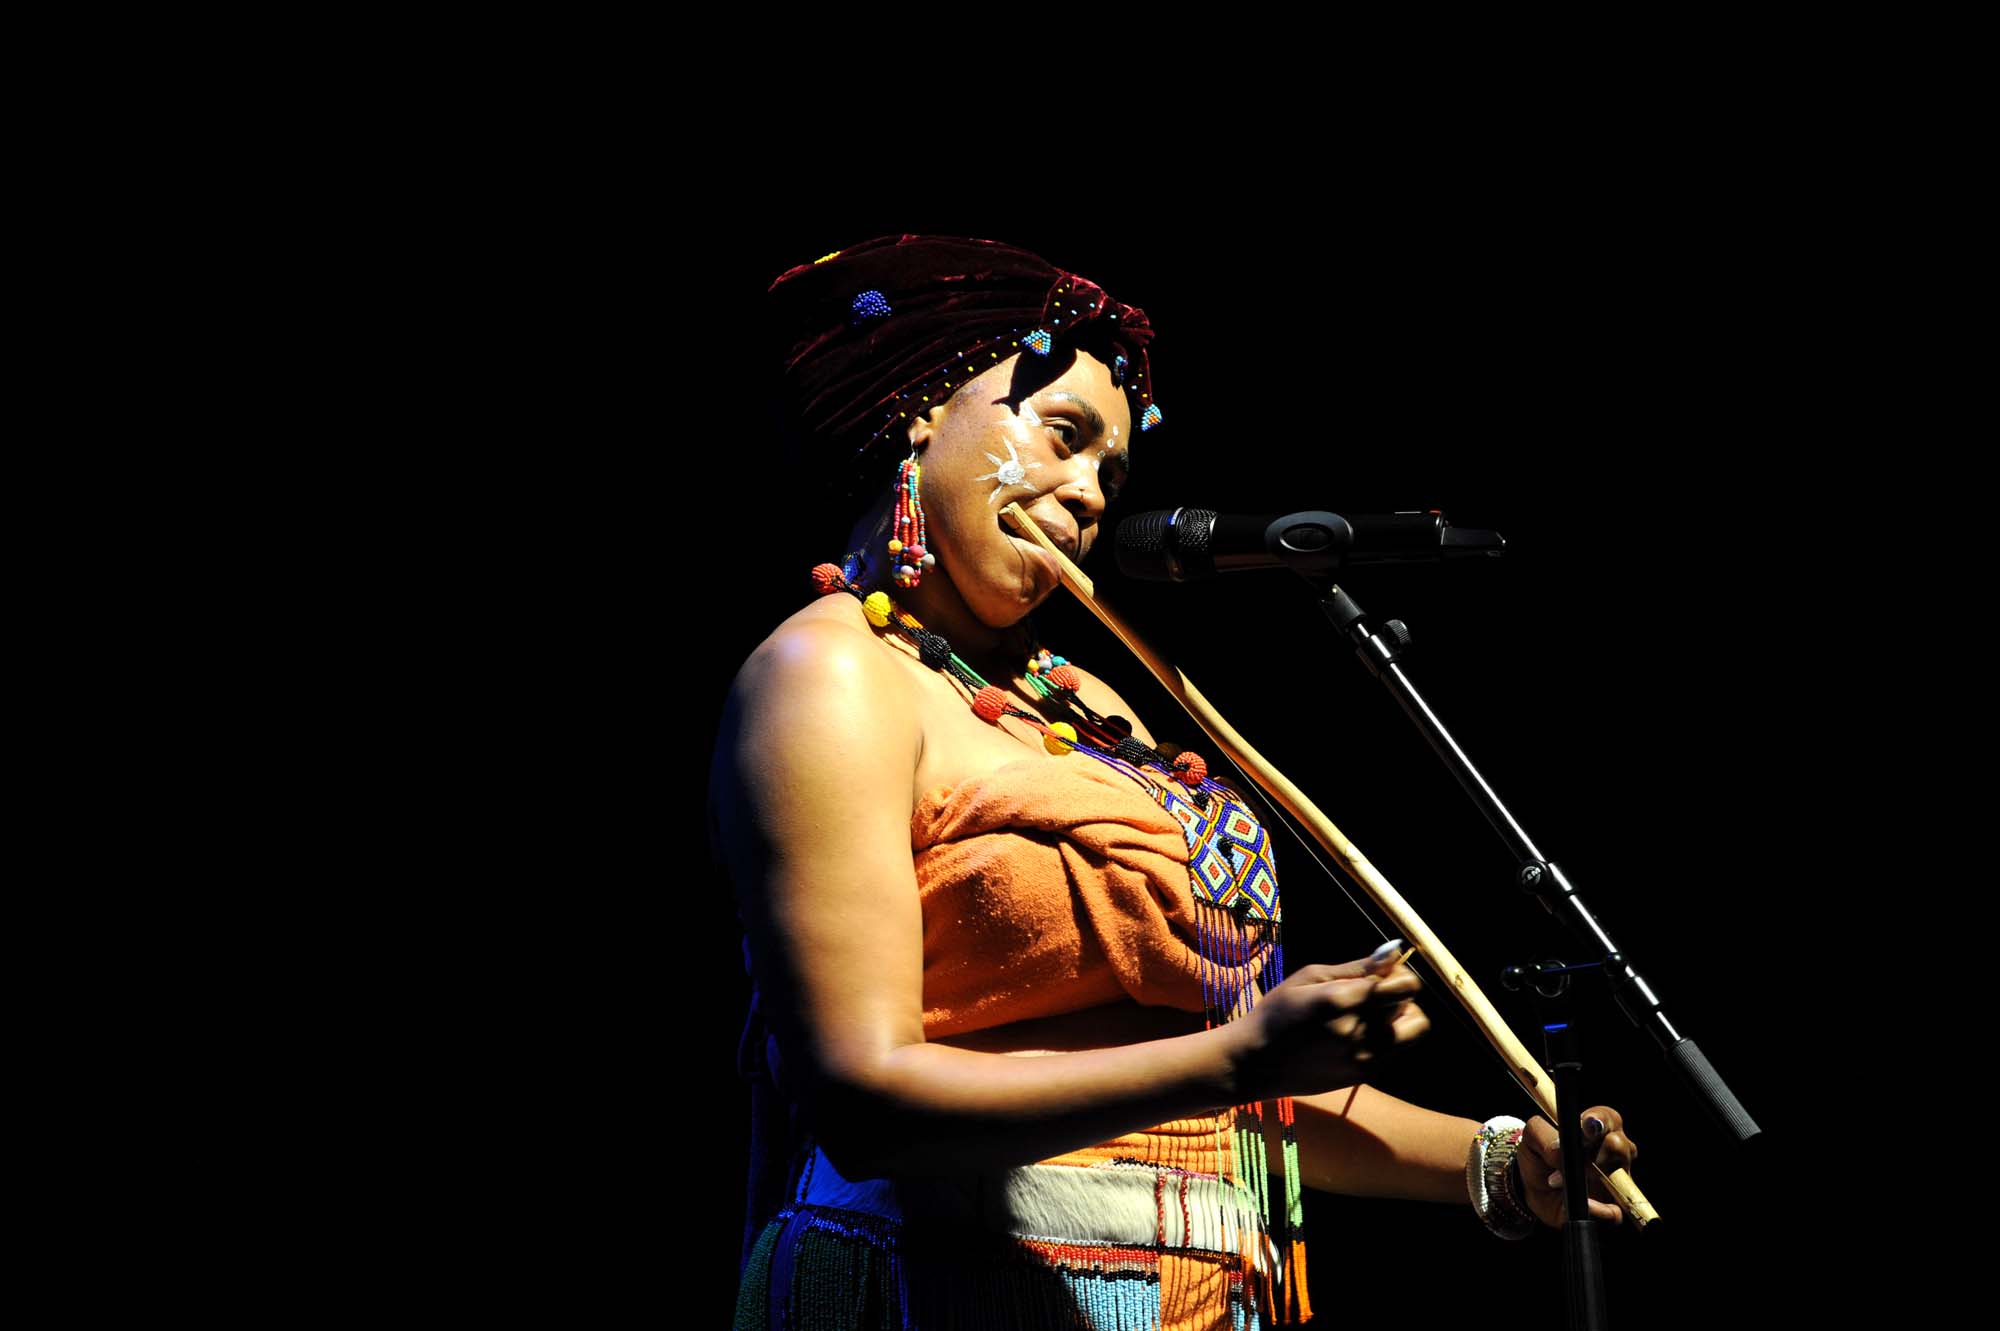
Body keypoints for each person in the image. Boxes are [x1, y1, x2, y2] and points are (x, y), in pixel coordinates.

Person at [713, 236, 1637, 1330]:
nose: (1090, 492)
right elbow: (862, 1099)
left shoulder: (1098, 700)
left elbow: (1208, 1090)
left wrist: (1489, 1161)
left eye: (1110, 469)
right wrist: (1239, 1053)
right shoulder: (828, 677)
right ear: (922, 407)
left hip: (1195, 1295)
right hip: (942, 1287)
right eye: (1062, 436)